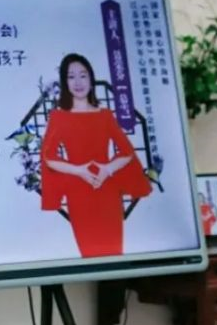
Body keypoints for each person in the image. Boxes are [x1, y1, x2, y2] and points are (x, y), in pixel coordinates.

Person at [40, 53, 152, 257]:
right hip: (79, 193)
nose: (78, 82)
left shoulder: (105, 115)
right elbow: (49, 157)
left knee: (115, 252)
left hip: (107, 189)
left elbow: (127, 151)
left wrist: (108, 169)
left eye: (83, 75)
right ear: (65, 82)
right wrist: (79, 171)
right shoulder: (59, 117)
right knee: (89, 252)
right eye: (71, 76)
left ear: (91, 79)